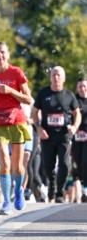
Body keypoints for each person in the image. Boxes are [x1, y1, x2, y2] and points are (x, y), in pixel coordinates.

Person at [0, 42, 33, 215]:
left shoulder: (16, 72)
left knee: (17, 166)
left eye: (2, 52)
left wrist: (10, 90)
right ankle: (6, 201)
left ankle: (18, 192)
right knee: (4, 161)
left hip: (17, 121)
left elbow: (28, 99)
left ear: (7, 55)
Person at [31, 66, 81, 204]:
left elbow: (77, 114)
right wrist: (39, 128)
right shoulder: (43, 94)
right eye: (53, 75)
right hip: (47, 136)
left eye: (59, 75)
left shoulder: (69, 95)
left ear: (63, 78)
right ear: (50, 77)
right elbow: (34, 113)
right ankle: (51, 190)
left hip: (64, 136)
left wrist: (75, 127)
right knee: (48, 166)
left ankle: (59, 193)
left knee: (65, 165)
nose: (56, 77)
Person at [72, 76, 87, 203]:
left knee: (85, 163)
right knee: (76, 166)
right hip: (76, 138)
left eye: (85, 86)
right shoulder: (74, 101)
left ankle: (85, 190)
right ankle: (79, 196)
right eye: (80, 86)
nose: (83, 89)